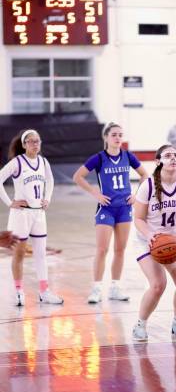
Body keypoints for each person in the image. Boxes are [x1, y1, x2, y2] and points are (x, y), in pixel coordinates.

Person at [73, 122, 148, 304]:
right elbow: (77, 176)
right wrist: (95, 193)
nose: (118, 138)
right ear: (106, 137)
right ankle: (97, 288)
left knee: (120, 250)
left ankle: (115, 287)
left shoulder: (128, 156)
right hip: (106, 208)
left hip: (124, 208)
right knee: (102, 249)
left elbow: (145, 175)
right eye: (114, 134)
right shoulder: (99, 158)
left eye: (120, 135)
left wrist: (136, 194)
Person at [132, 144, 176, 342]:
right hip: (147, 239)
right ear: (158, 161)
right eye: (168, 155)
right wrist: (151, 236)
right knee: (158, 284)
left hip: (171, 239)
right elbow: (138, 219)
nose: (173, 159)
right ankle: (140, 325)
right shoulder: (148, 185)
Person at [0, 129, 64, 306]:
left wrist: (48, 198)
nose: (35, 144)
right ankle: (19, 291)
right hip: (21, 214)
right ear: (24, 144)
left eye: (38, 141)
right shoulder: (17, 162)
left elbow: (50, 181)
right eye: (31, 141)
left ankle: (44, 292)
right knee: (19, 254)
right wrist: (9, 202)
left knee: (41, 254)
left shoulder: (43, 162)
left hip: (38, 214)